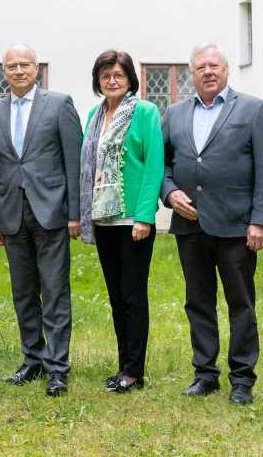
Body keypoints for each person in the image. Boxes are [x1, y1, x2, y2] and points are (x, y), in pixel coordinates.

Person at [161, 43, 263, 405]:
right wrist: (169, 194)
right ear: (191, 74)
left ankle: (242, 379)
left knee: (240, 303)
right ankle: (205, 374)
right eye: (200, 67)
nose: (208, 72)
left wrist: (261, 220)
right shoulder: (175, 113)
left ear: (227, 70)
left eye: (214, 65)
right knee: (197, 302)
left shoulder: (253, 109)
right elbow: (163, 166)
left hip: (236, 225)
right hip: (190, 225)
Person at [0, 44, 81, 397]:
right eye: (11, 66)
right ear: (3, 71)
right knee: (23, 292)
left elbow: (74, 162)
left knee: (54, 291)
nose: (18, 71)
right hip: (11, 213)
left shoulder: (59, 104)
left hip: (52, 210)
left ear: (37, 67)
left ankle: (57, 367)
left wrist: (75, 213)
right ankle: (33, 359)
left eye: (25, 64)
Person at [79, 50, 164, 393]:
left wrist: (144, 216)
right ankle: (123, 365)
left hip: (132, 221)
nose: (112, 81)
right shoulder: (94, 116)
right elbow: (88, 166)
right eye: (105, 76)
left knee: (133, 295)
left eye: (118, 75)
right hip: (103, 220)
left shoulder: (145, 112)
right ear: (98, 81)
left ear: (130, 79)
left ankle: (134, 371)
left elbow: (154, 164)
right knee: (116, 296)